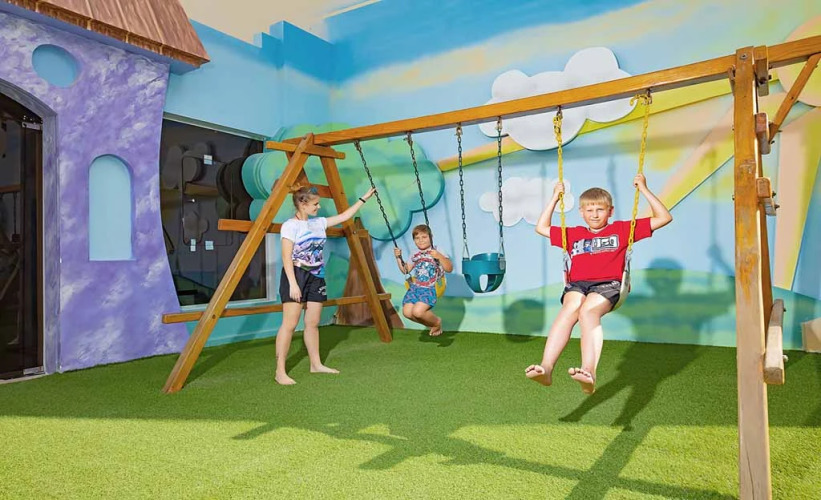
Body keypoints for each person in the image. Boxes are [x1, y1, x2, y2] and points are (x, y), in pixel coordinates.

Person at [526, 174, 672, 394]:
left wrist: (643, 188)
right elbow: (541, 227)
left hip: (609, 284)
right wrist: (555, 197)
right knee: (570, 309)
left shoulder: (623, 230)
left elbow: (663, 217)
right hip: (577, 284)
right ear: (581, 212)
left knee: (588, 311)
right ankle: (546, 368)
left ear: (610, 211)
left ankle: (589, 371)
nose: (594, 214)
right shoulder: (573, 234)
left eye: (600, 210)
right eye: (589, 210)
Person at [275, 185, 376, 385]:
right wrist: (293, 284)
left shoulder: (319, 223)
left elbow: (345, 216)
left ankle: (316, 364)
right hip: (296, 275)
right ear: (303, 204)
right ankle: (280, 371)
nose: (319, 207)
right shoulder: (290, 226)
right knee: (290, 324)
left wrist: (364, 198)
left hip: (317, 276)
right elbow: (286, 257)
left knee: (312, 322)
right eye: (315, 204)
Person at [394, 224, 453, 336]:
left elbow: (449, 268)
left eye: (424, 237)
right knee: (407, 312)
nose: (420, 240)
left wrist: (439, 256)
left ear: (431, 237)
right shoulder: (414, 253)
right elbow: (405, 270)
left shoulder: (437, 250)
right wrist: (398, 257)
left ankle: (437, 322)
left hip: (431, 287)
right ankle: (432, 324)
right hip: (415, 288)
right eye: (417, 238)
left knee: (418, 312)